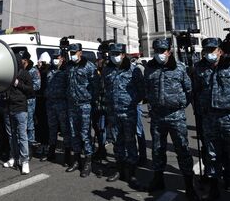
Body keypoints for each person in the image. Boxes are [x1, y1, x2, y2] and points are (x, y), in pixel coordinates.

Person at [144, 38, 198, 200]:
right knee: (157, 149)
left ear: (169, 51)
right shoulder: (150, 68)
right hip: (157, 115)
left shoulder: (180, 68)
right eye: (157, 51)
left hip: (176, 115)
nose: (160, 54)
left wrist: (179, 104)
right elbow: (147, 88)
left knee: (182, 149)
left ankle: (189, 185)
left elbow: (189, 90)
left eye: (163, 51)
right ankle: (158, 179)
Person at [193, 38, 230, 200]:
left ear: (220, 51)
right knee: (212, 154)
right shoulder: (199, 68)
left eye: (212, 50)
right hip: (209, 118)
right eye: (206, 50)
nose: (209, 53)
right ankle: (214, 187)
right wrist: (199, 114)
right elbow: (195, 91)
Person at [103, 43, 145, 187]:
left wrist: (131, 102)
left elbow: (141, 91)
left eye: (116, 54)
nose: (113, 57)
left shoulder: (134, 70)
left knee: (130, 142)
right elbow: (105, 88)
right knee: (117, 142)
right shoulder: (107, 70)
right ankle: (120, 170)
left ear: (123, 54)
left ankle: (132, 173)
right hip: (113, 112)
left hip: (128, 112)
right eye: (112, 54)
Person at [66, 43, 98, 177]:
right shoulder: (69, 66)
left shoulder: (89, 67)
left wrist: (91, 100)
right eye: (71, 53)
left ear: (80, 52)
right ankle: (76, 160)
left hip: (85, 105)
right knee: (74, 133)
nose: (72, 55)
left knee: (85, 134)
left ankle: (88, 162)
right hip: (72, 104)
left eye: (74, 52)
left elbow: (96, 86)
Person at [3, 51, 34, 175]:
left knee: (22, 135)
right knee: (11, 135)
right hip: (8, 108)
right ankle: (13, 157)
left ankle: (24, 160)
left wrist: (18, 84)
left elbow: (30, 90)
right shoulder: (7, 74)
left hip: (20, 108)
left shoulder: (25, 74)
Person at [45, 49, 72, 165]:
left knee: (65, 130)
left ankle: (67, 155)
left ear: (62, 58)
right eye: (54, 57)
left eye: (57, 57)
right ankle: (51, 152)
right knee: (52, 129)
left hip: (62, 104)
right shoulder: (50, 71)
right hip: (50, 104)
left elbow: (69, 87)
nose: (55, 59)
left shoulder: (66, 72)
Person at [22, 51, 41, 150]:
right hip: (21, 100)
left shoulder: (33, 71)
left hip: (30, 99)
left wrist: (24, 88)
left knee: (29, 122)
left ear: (26, 60)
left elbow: (37, 86)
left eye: (22, 60)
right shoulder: (20, 70)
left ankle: (31, 144)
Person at [36, 52, 51, 159]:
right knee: (40, 124)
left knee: (46, 125)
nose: (39, 63)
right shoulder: (38, 71)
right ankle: (42, 143)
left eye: (41, 62)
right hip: (39, 101)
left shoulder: (48, 72)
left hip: (46, 102)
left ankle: (47, 145)